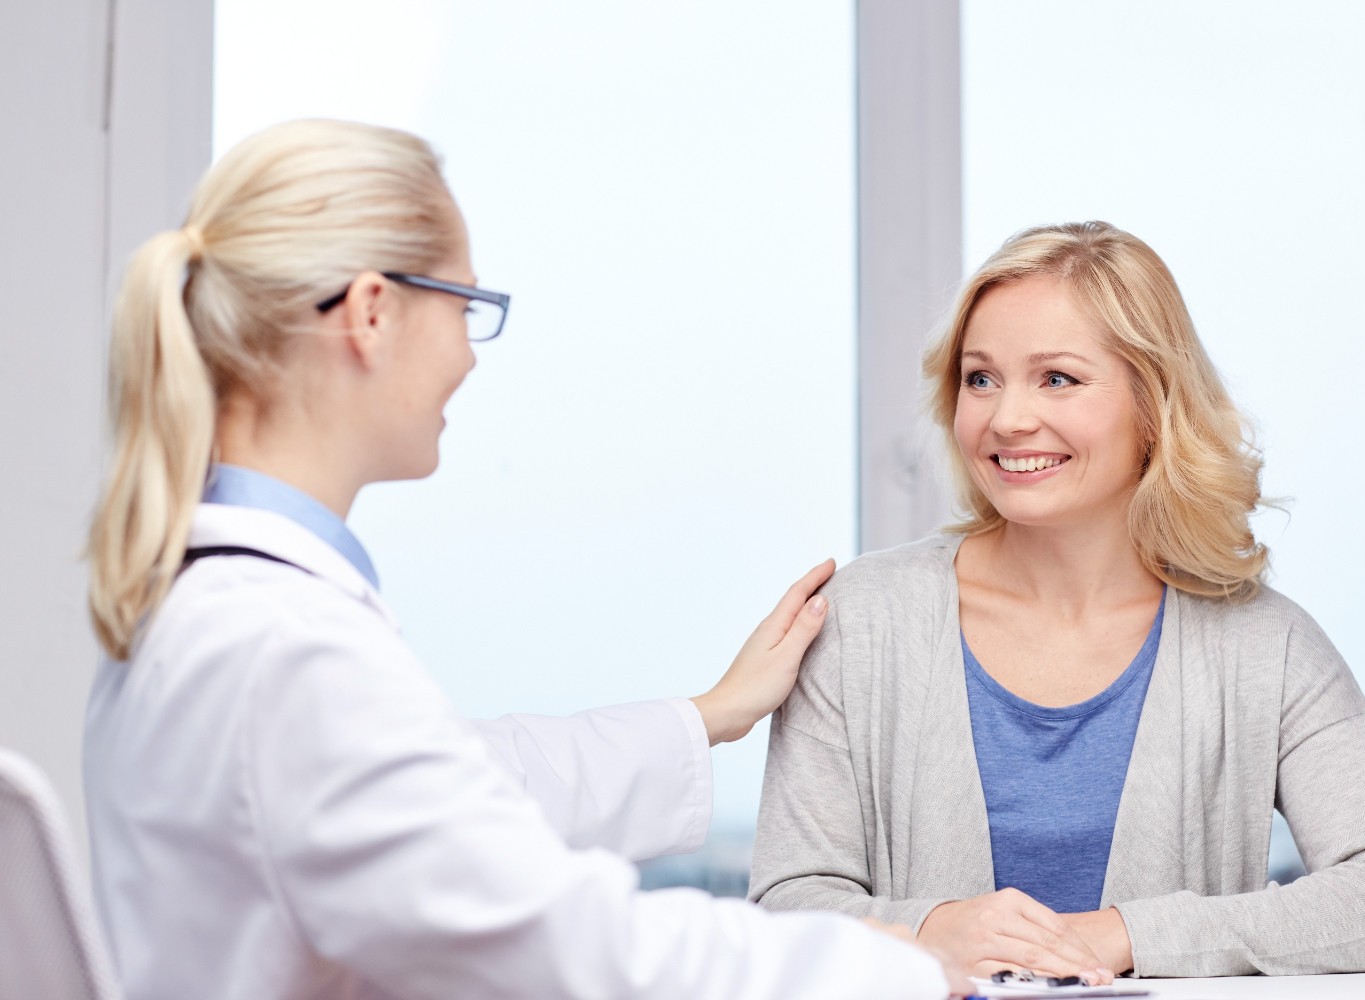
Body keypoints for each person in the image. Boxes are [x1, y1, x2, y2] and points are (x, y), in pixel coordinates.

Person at [82, 119, 966, 1000]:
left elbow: (463, 785)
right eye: (465, 306)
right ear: (372, 311)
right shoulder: (287, 650)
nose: (469, 353)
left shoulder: (213, 614)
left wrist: (711, 714)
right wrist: (891, 966)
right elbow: (570, 948)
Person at [748, 221, 1365, 979]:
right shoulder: (861, 621)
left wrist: (1128, 936)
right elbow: (785, 905)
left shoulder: (1265, 647)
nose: (1007, 418)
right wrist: (929, 932)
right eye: (980, 378)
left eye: (1058, 378)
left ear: (1154, 405)